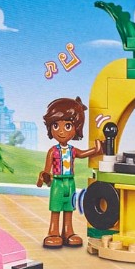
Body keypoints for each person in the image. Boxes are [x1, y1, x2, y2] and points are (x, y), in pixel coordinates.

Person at [37, 96, 103, 248]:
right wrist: (44, 177)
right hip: (57, 183)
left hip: (70, 182)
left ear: (76, 128)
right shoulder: (53, 151)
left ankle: (68, 232)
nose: (61, 131)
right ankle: (53, 232)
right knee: (56, 208)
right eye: (56, 125)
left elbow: (83, 154)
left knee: (69, 208)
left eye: (67, 126)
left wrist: (97, 149)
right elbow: (46, 170)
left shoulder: (72, 150)